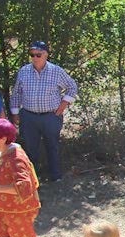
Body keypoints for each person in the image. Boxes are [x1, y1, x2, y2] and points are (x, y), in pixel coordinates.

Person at [9, 40, 78, 183]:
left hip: (51, 116)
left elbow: (72, 86)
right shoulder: (24, 71)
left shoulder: (56, 71)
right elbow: (16, 93)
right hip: (29, 116)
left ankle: (56, 176)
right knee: (30, 148)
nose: (34, 58)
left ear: (46, 54)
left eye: (38, 54)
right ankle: (31, 179)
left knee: (52, 145)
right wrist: (15, 113)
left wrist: (63, 105)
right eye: (32, 54)